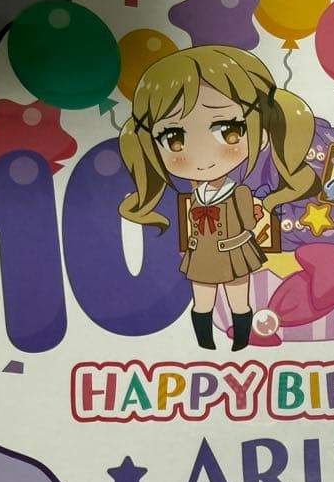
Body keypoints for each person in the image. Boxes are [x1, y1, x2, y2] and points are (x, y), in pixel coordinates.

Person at [119, 46, 319, 350]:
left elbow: (250, 223)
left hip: (234, 252)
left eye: (229, 130)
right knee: (203, 302)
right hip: (202, 255)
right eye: (173, 138)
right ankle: (205, 344)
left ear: (262, 134)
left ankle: (240, 342)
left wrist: (258, 212)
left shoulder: (239, 192)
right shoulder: (195, 196)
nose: (202, 155)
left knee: (238, 300)